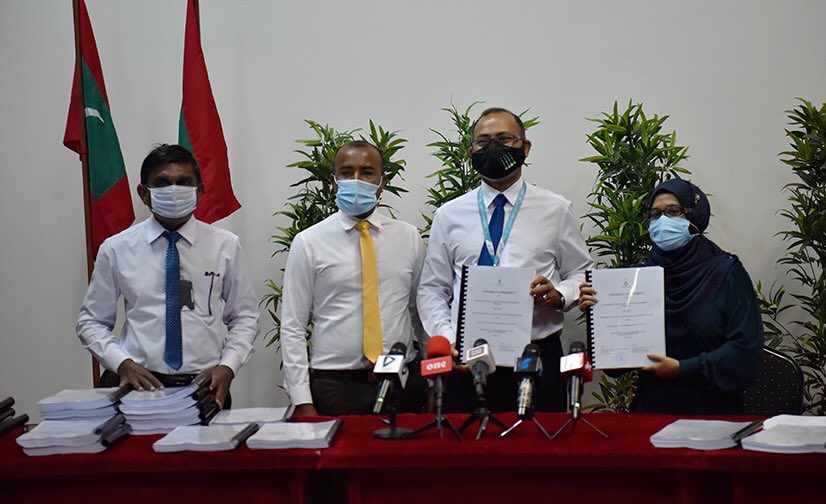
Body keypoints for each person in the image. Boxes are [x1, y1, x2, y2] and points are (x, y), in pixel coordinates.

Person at [417, 107, 595, 413]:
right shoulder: (449, 215)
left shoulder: (555, 209)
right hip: (467, 360)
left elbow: (583, 272)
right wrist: (448, 340)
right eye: (483, 142)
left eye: (504, 139)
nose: (493, 148)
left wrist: (559, 295)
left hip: (536, 357)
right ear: (471, 151)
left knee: (539, 454)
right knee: (466, 454)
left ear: (525, 148)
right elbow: (431, 289)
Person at [77, 144, 259, 409]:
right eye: (161, 183)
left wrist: (228, 366)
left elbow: (245, 316)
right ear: (144, 193)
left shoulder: (225, 246)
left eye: (184, 182)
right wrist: (122, 364)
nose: (173, 190)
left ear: (199, 191)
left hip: (205, 385)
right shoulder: (116, 249)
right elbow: (90, 321)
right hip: (137, 385)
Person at [578, 179, 764, 414]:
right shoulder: (639, 279)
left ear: (695, 216)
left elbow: (746, 349)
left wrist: (683, 368)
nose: (662, 220)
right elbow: (615, 368)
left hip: (713, 414)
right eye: (655, 214)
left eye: (673, 211)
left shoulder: (726, 273)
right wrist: (599, 316)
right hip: (651, 413)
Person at [281, 141, 427, 417]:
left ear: (382, 182)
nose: (357, 180)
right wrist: (302, 399)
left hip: (401, 383)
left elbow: (421, 314)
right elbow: (293, 325)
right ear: (334, 181)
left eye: (367, 172)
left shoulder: (408, 238)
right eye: (347, 172)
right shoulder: (309, 242)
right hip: (335, 387)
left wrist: (434, 380)